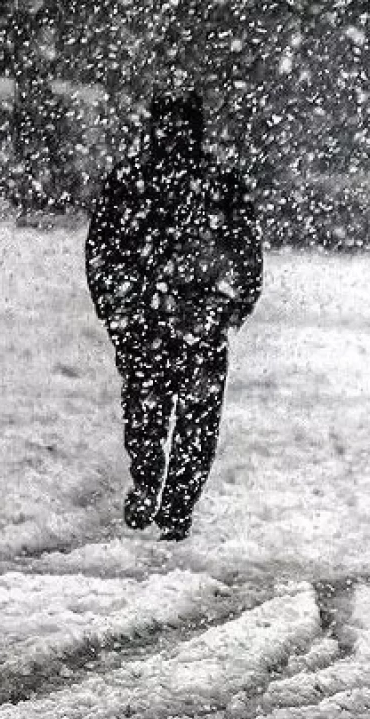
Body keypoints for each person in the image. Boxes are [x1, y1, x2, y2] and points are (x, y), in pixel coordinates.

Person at [85, 90, 262, 540]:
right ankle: (175, 507)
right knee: (194, 423)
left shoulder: (131, 181)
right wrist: (227, 310)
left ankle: (151, 486)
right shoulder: (218, 184)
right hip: (194, 322)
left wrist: (119, 309)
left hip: (150, 320)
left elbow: (102, 254)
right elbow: (246, 258)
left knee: (147, 410)